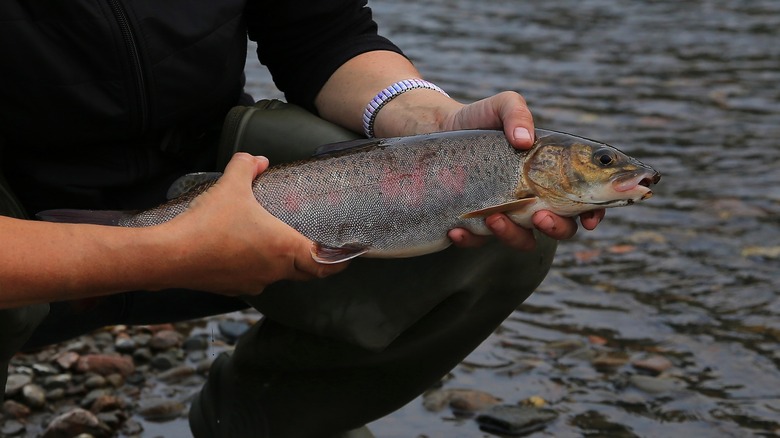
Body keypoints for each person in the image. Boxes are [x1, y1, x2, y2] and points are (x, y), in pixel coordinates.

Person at [0, 1, 605, 437]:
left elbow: (323, 34)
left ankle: (254, 424)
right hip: (23, 228)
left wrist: (434, 125)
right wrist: (168, 250)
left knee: (492, 233)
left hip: (213, 178)